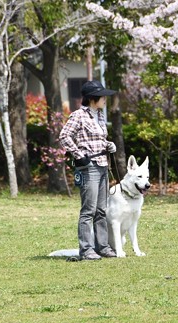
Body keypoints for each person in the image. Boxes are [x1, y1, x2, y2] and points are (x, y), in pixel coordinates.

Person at [58, 80, 118, 260]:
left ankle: (103, 246)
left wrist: (109, 145)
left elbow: (98, 138)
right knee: (88, 210)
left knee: (101, 209)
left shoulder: (99, 115)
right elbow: (64, 136)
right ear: (93, 98)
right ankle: (86, 249)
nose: (105, 99)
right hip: (89, 167)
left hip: (102, 164)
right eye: (103, 96)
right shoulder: (78, 115)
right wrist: (77, 154)